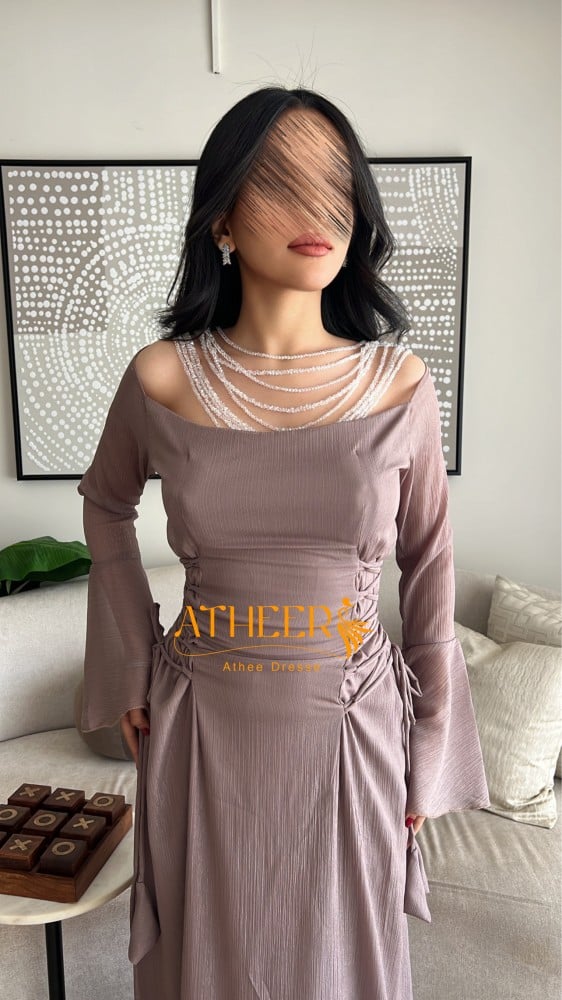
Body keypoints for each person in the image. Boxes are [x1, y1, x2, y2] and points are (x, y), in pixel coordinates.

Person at [77, 86, 490, 1000]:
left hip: (351, 725)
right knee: (205, 963)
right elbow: (105, 504)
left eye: (337, 185)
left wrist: (432, 742)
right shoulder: (161, 378)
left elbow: (428, 557)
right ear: (222, 217)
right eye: (281, 182)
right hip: (202, 724)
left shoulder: (399, 383)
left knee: (340, 965)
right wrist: (130, 662)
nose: (319, 211)